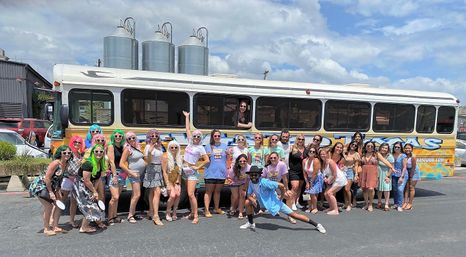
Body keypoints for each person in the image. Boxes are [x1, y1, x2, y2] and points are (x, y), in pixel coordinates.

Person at [240, 166, 326, 234]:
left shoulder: (265, 182)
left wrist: (281, 196)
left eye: (255, 174)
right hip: (262, 203)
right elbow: (248, 194)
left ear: (259, 175)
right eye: (251, 175)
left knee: (295, 215)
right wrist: (253, 199)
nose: (253, 176)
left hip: (275, 203)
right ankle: (250, 223)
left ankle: (317, 225)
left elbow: (281, 185)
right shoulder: (251, 182)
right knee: (247, 202)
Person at [29, 145, 71, 236]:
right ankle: (46, 228)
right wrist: (51, 192)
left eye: (69, 153)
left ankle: (55, 226)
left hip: (52, 186)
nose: (67, 154)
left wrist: (58, 190)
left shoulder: (66, 164)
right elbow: (47, 178)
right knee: (49, 206)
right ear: (60, 153)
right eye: (64, 153)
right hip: (41, 185)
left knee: (59, 203)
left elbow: (59, 178)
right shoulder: (56, 163)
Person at [182, 111, 209, 224]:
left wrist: (198, 167)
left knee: (191, 194)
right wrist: (187, 117)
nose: (196, 138)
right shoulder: (189, 142)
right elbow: (187, 129)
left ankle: (196, 216)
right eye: (195, 136)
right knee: (188, 194)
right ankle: (192, 213)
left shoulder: (200, 148)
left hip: (192, 172)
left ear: (200, 138)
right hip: (184, 170)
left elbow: (207, 160)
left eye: (198, 136)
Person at [74, 144, 107, 233]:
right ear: (93, 152)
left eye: (101, 151)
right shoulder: (88, 163)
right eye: (96, 151)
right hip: (81, 185)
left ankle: (98, 222)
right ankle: (84, 227)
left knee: (93, 201)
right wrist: (94, 192)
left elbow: (97, 179)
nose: (99, 153)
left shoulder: (100, 163)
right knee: (89, 205)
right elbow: (86, 180)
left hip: (89, 185)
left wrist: (94, 192)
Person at [360, 141, 395, 212]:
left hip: (373, 173)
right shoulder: (363, 154)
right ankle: (366, 204)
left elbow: (384, 161)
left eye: (371, 146)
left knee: (371, 188)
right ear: (365, 147)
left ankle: (370, 204)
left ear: (374, 147)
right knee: (364, 189)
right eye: (368, 146)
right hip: (363, 172)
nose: (370, 147)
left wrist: (391, 167)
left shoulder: (376, 154)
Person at [120, 131, 146, 224]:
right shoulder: (128, 149)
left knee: (134, 194)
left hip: (140, 174)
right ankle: (130, 215)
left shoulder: (137, 147)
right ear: (127, 140)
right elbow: (121, 164)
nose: (132, 140)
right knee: (137, 195)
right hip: (134, 174)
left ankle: (133, 213)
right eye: (129, 138)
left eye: (133, 138)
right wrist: (131, 172)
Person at [204, 129, 229, 217]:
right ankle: (206, 210)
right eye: (215, 136)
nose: (217, 137)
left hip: (221, 172)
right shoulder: (208, 146)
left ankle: (216, 208)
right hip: (210, 172)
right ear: (212, 137)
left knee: (217, 192)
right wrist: (207, 155)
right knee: (208, 191)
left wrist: (229, 154)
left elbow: (228, 158)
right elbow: (203, 159)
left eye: (218, 136)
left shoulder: (225, 146)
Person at [143, 129, 166, 226]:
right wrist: (150, 151)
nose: (154, 137)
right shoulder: (148, 146)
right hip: (151, 168)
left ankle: (150, 211)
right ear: (149, 137)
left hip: (158, 168)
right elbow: (147, 161)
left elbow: (161, 158)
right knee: (157, 191)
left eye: (156, 135)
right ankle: (156, 216)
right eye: (152, 135)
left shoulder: (159, 146)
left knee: (152, 191)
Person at [61, 136, 84, 228]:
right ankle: (52, 220)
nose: (77, 144)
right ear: (72, 142)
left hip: (76, 180)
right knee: (61, 200)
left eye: (79, 142)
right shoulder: (69, 153)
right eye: (75, 142)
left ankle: (71, 220)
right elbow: (63, 163)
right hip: (67, 179)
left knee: (73, 202)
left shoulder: (81, 155)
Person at [319, 148, 347, 215]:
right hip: (333, 179)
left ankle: (335, 210)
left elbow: (335, 174)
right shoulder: (323, 163)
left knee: (329, 193)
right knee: (326, 194)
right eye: (321, 154)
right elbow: (327, 174)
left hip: (339, 179)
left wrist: (328, 180)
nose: (322, 155)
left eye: (324, 154)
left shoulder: (330, 162)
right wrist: (326, 179)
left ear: (327, 154)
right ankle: (331, 207)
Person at [106, 129, 126, 225]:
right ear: (113, 137)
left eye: (120, 136)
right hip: (115, 173)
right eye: (116, 136)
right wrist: (114, 175)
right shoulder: (111, 146)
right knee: (115, 197)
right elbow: (111, 162)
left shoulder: (122, 147)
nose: (118, 137)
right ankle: (109, 218)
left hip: (122, 173)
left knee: (117, 198)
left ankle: (115, 216)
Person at [163, 140, 182, 222]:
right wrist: (167, 184)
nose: (174, 149)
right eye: (172, 147)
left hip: (176, 180)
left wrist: (178, 183)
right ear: (169, 148)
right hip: (169, 180)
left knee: (178, 194)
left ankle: (174, 212)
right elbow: (164, 171)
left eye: (175, 147)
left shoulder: (179, 157)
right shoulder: (166, 157)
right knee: (172, 195)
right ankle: (168, 212)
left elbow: (179, 172)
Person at [226, 154, 249, 219]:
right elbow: (229, 178)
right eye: (240, 161)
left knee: (242, 196)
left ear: (247, 161)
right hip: (234, 183)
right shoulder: (233, 169)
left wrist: (245, 188)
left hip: (243, 183)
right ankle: (233, 207)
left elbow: (249, 179)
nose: (242, 162)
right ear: (237, 162)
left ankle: (240, 212)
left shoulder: (249, 168)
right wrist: (229, 180)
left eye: (244, 161)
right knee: (235, 196)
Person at [288, 134, 306, 212]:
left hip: (303, 171)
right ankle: (291, 203)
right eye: (299, 139)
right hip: (293, 171)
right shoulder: (292, 148)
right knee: (295, 187)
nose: (300, 141)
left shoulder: (306, 149)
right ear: (296, 140)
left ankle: (297, 201)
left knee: (299, 188)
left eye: (302, 139)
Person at [303, 146, 322, 214]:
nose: (311, 153)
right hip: (308, 178)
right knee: (307, 192)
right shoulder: (304, 160)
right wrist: (307, 182)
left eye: (313, 152)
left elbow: (315, 173)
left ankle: (315, 208)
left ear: (315, 154)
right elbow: (304, 173)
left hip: (316, 178)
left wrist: (311, 183)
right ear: (307, 152)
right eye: (310, 151)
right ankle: (309, 207)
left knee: (313, 193)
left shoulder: (316, 160)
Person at [343, 141, 360, 211]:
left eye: (355, 145)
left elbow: (356, 165)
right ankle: (346, 203)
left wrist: (356, 174)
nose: (353, 146)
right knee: (344, 189)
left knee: (347, 189)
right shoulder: (345, 152)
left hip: (350, 171)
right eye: (352, 144)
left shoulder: (356, 154)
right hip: (343, 171)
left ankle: (350, 204)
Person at [376, 143, 394, 211]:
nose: (384, 149)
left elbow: (391, 167)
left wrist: (388, 176)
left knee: (386, 189)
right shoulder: (378, 155)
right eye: (383, 147)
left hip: (386, 174)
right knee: (379, 189)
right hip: (379, 174)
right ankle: (379, 202)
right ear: (380, 148)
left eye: (386, 148)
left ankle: (386, 204)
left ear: (388, 149)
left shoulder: (390, 156)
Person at [403, 143, 420, 210]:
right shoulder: (404, 156)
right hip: (407, 171)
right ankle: (405, 202)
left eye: (409, 148)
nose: (407, 149)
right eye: (406, 148)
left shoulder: (413, 156)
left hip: (414, 172)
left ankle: (410, 204)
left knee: (411, 187)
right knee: (406, 188)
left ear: (412, 149)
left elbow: (413, 168)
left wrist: (410, 177)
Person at [391, 141, 407, 212]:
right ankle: (396, 203)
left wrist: (402, 177)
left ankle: (400, 205)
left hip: (402, 174)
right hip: (394, 174)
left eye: (398, 147)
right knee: (395, 190)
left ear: (401, 148)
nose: (396, 148)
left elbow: (404, 167)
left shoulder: (403, 156)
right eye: (395, 147)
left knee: (400, 189)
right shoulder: (392, 155)